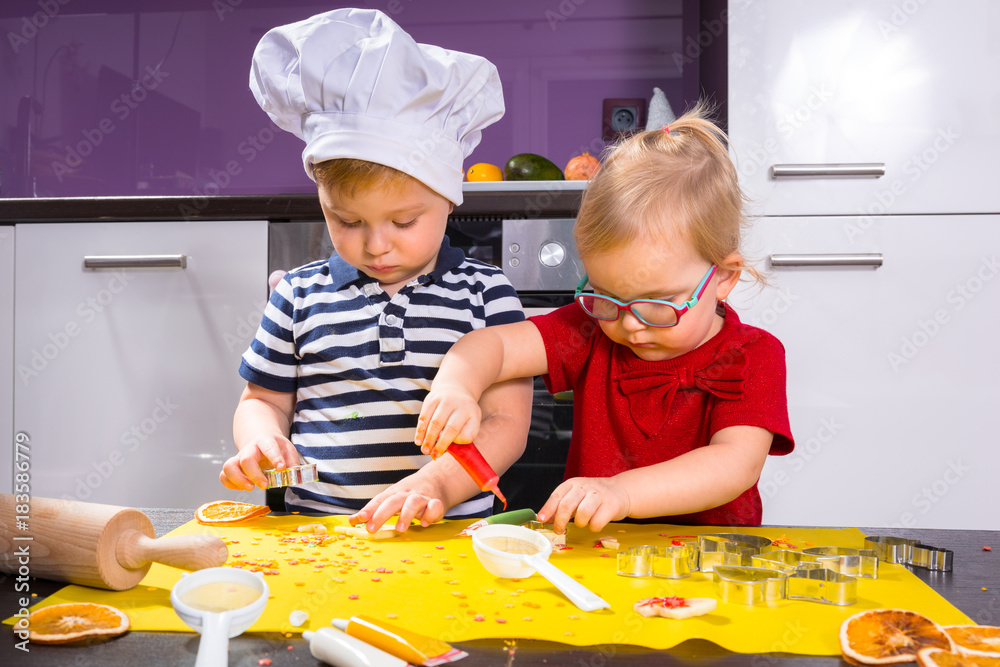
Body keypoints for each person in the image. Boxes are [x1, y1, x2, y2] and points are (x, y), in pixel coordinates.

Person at [412, 104, 795, 533]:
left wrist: (622, 492)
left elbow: (734, 465)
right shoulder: (591, 329)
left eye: (657, 303)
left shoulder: (754, 355)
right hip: (594, 557)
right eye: (608, 296)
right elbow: (492, 346)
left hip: (706, 568)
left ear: (723, 277)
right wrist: (457, 387)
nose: (629, 323)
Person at [222, 8, 532, 530]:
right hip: (317, 531)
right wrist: (260, 439)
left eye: (405, 221)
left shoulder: (486, 293)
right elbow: (261, 400)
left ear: (449, 199)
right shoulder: (298, 295)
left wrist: (438, 484)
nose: (375, 245)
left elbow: (507, 424)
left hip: (449, 531)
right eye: (347, 221)